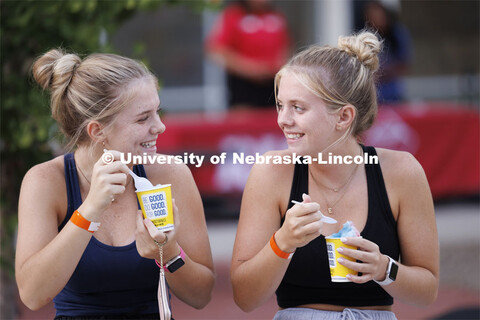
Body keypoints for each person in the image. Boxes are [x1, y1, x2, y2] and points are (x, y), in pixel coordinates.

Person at [230, 31, 438, 319]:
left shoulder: (402, 172)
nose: (283, 120)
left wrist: (383, 268)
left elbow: (427, 291)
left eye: (298, 108)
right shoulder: (271, 172)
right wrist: (283, 242)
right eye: (280, 105)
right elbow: (245, 297)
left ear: (344, 117)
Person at [16, 49, 215, 318]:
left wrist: (168, 253)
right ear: (98, 131)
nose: (160, 126)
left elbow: (201, 296)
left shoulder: (170, 174)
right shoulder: (46, 181)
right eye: (143, 118)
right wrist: (90, 210)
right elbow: (33, 294)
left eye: (157, 112)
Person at [205, 0, 291, 109]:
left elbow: (285, 46)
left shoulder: (276, 16)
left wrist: (279, 66)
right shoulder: (233, 15)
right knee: (244, 122)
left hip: (273, 80)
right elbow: (217, 50)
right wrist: (249, 68)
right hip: (243, 83)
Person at [364, 0, 412, 103]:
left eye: (378, 14)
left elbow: (404, 63)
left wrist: (380, 72)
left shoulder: (397, 35)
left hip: (393, 93)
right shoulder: (365, 36)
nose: (376, 18)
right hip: (370, 94)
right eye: (372, 14)